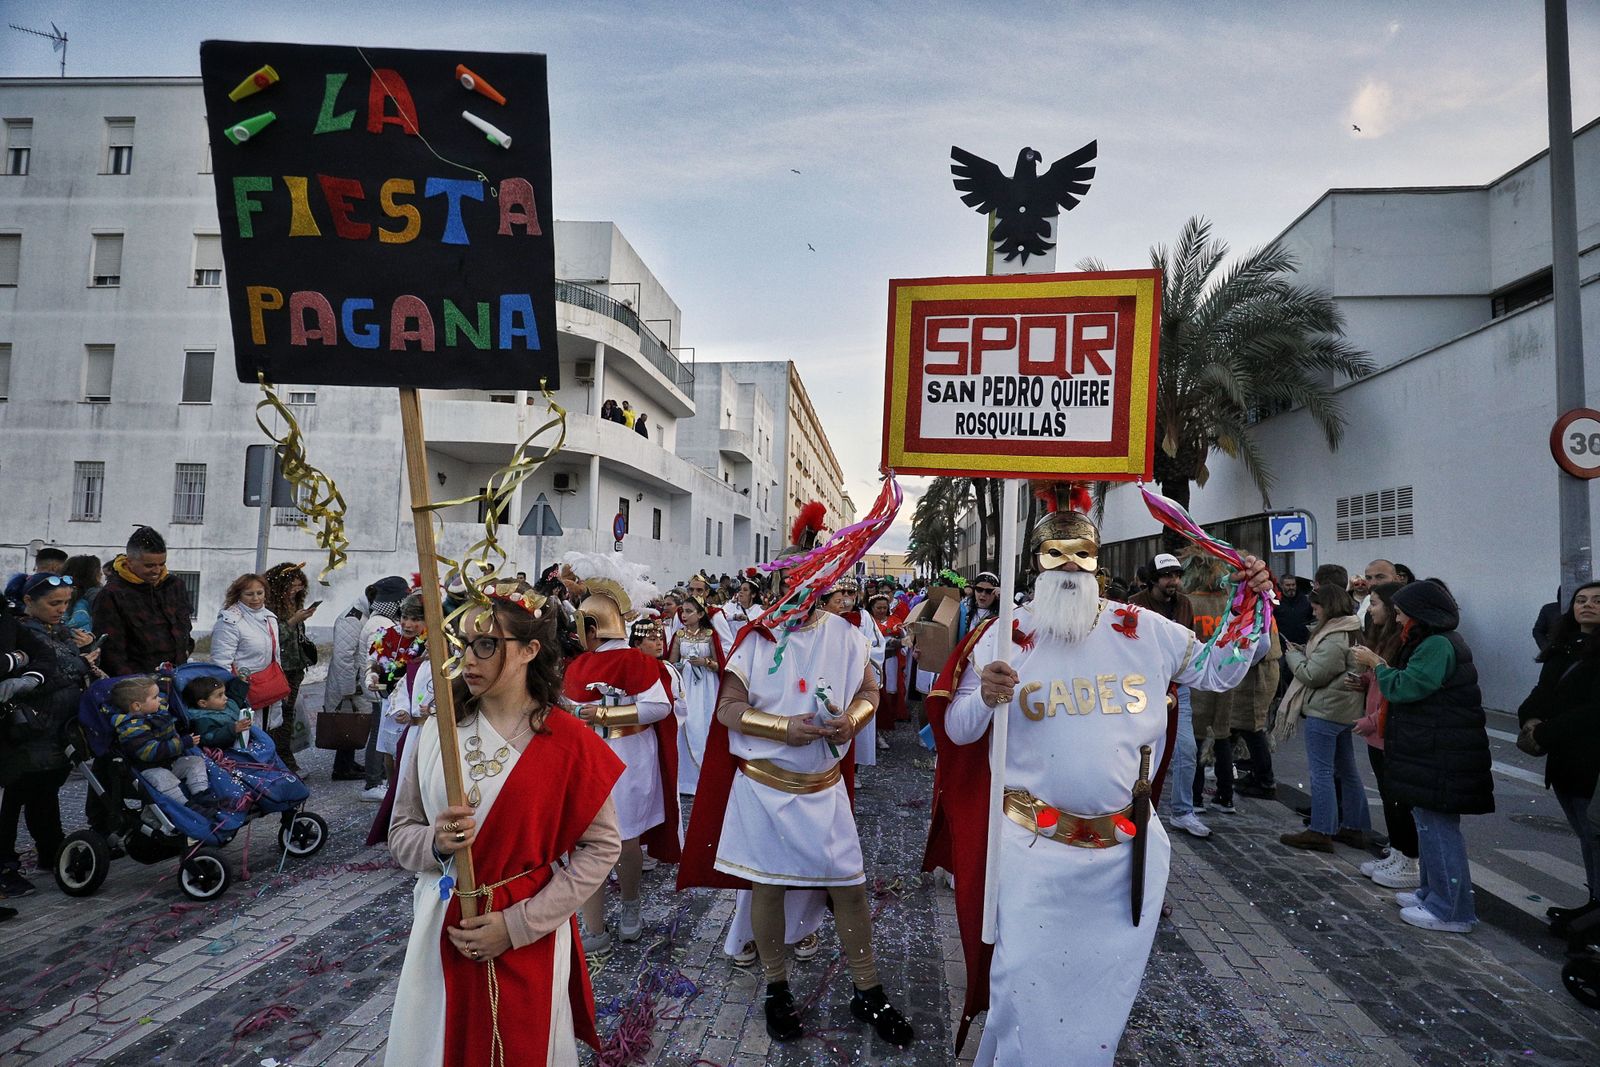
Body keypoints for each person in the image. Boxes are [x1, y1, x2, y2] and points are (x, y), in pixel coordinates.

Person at [923, 484, 1275, 1065]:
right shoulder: (1004, 636)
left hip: (1123, 856)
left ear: (1099, 561)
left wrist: (1252, 604)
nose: (1067, 567)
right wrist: (984, 696)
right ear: (1033, 562)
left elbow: (1221, 670)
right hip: (1033, 850)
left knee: (1100, 1006)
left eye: (1080, 554)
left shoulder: (1146, 630)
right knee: (1024, 988)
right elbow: (958, 732)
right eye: (1052, 554)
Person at [679, 506, 915, 1048]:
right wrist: (785, 727)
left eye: (811, 580)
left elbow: (870, 692)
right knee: (768, 887)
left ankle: (867, 988)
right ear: (777, 583)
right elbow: (728, 710)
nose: (799, 589)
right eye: (790, 581)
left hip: (823, 788)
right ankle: (776, 987)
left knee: (849, 886)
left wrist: (849, 721)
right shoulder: (757, 639)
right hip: (764, 787)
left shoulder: (848, 634)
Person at [386, 580, 624, 1067]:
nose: (469, 659)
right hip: (440, 928)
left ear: (529, 651)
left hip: (526, 931)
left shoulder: (569, 741)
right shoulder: (439, 730)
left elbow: (601, 847)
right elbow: (401, 831)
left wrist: (518, 925)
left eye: (487, 644)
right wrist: (434, 842)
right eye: (465, 645)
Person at [1351, 580, 1493, 934]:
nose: (1397, 619)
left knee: (1440, 832)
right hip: (1430, 750)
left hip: (1441, 752)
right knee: (1428, 828)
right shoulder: (1429, 642)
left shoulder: (1437, 644)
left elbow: (1407, 687)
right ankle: (1431, 894)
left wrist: (1377, 666)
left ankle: (1452, 910)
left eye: (1400, 612)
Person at [564, 564, 679, 958]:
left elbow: (659, 707)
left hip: (628, 756)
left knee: (618, 838)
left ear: (593, 625)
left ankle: (627, 907)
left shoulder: (637, 662)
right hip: (593, 757)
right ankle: (597, 923)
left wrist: (605, 714)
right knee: (595, 840)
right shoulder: (577, 666)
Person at [1, 573, 101, 896]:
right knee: (17, 796)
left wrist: (82, 663)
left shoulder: (60, 631)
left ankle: (51, 851)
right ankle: (6, 863)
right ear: (29, 602)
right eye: (53, 603)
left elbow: (61, 671)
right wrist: (81, 666)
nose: (61, 609)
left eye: (65, 603)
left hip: (58, 728)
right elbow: (51, 674)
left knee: (46, 791)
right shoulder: (20, 630)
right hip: (29, 728)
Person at [1516, 581, 1600, 937]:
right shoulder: (1563, 647)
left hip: (1591, 757)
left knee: (1596, 833)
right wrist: (1528, 718)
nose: (1587, 605)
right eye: (1581, 600)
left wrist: (1545, 733)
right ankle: (1594, 901)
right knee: (1585, 834)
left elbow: (1593, 710)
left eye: (1597, 600)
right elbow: (1542, 692)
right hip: (1564, 758)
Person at [1278, 585, 1370, 852]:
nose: (1313, 610)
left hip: (1326, 712)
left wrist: (1293, 656)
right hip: (1344, 711)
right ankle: (1353, 826)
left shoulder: (1334, 637)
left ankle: (1320, 830)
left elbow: (1312, 675)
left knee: (1322, 773)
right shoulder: (1351, 630)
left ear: (1328, 606)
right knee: (1347, 771)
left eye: (1316, 606)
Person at [1131, 552, 1208, 838]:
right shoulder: (1136, 605)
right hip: (1140, 687)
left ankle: (1183, 811)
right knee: (1137, 750)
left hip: (1177, 687)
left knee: (1186, 749)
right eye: (1166, 576)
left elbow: (1191, 643)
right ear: (1153, 579)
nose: (1172, 581)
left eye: (1176, 575)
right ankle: (1133, 806)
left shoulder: (1185, 604)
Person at [1352, 582, 1419, 888]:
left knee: (1399, 800)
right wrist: (1365, 681)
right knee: (1389, 796)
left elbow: (1397, 688)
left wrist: (1371, 719)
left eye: (1376, 603)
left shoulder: (1407, 643)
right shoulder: (1385, 638)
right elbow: (1381, 682)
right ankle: (1397, 851)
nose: (1371, 609)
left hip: (1387, 729)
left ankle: (1409, 860)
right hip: (1378, 731)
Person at [93, 527, 193, 677]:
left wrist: (185, 650)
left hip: (178, 676)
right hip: (139, 686)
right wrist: (137, 686)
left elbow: (184, 629)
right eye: (149, 565)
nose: (157, 570)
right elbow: (112, 652)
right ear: (129, 562)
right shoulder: (112, 594)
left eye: (162, 564)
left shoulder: (174, 585)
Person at [108, 676, 218, 812]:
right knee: (164, 778)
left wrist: (165, 678)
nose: (159, 699)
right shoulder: (132, 727)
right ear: (137, 706)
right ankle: (186, 807)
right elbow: (149, 752)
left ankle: (201, 794)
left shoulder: (154, 710)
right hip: (148, 769)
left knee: (195, 762)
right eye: (155, 697)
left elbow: (162, 695)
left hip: (169, 762)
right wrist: (181, 744)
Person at [210, 573, 285, 736]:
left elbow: (275, 656)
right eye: (249, 594)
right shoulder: (229, 622)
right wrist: (227, 694)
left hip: (269, 688)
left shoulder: (269, 618)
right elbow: (220, 663)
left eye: (260, 593)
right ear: (239, 594)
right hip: (241, 691)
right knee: (245, 737)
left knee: (266, 733)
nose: (256, 598)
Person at [372, 594, 429, 800]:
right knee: (389, 753)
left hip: (417, 705)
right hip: (390, 702)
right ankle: (392, 794)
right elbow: (376, 663)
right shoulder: (388, 635)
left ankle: (411, 797)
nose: (408, 624)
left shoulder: (431, 644)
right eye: (405, 617)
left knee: (412, 753)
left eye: (415, 620)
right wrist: (373, 676)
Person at [263, 562, 320, 766]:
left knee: (288, 712)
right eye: (293, 585)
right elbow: (273, 637)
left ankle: (284, 755)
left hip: (295, 667)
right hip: (278, 668)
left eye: (300, 585)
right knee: (278, 713)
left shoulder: (292, 604)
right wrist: (292, 622)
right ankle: (280, 757)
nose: (297, 590)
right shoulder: (267, 607)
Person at [669, 596, 721, 796]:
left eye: (689, 611)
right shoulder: (679, 635)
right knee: (685, 724)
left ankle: (704, 777)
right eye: (683, 611)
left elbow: (718, 665)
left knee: (704, 723)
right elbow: (671, 663)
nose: (684, 615)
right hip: (686, 685)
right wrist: (680, 666)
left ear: (700, 614)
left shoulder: (709, 635)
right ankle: (685, 781)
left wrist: (705, 662)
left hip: (706, 687)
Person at [183, 675, 253, 751]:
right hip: (228, 749)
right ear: (203, 703)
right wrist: (233, 729)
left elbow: (236, 697)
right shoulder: (203, 720)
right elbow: (209, 738)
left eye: (224, 693)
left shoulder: (226, 704)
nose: (225, 698)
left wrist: (241, 682)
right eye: (220, 695)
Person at [61, 555, 104, 633]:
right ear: (90, 574)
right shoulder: (96, 594)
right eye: (98, 571)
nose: (101, 574)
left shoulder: (60, 592)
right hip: (87, 638)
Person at [955, 572, 1000, 642]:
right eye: (979, 589)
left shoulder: (1002, 613)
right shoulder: (964, 608)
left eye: (989, 591)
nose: (983, 594)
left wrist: (1004, 600)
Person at [1276, 575, 1313, 647]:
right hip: (1282, 644)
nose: (1291, 587)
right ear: (1281, 586)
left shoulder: (1305, 600)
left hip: (1303, 643)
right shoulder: (1276, 601)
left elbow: (1311, 618)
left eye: (1293, 585)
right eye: (1288, 585)